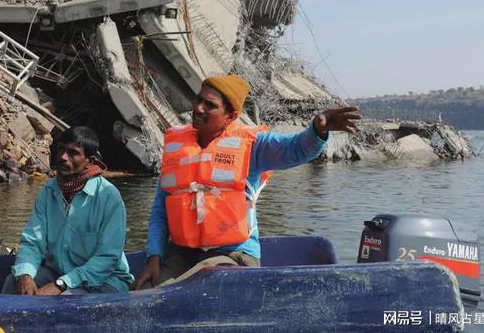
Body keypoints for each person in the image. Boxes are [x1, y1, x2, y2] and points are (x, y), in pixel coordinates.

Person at [132, 75, 360, 289]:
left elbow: (296, 149)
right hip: (183, 253)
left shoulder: (253, 146)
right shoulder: (177, 149)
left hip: (233, 255)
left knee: (206, 286)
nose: (198, 108)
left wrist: (318, 131)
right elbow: (160, 211)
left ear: (230, 117)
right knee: (144, 294)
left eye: (210, 105)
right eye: (198, 100)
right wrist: (154, 258)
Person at [2, 126, 133, 295]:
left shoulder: (109, 197)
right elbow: (33, 242)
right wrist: (26, 275)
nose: (63, 157)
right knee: (13, 281)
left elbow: (107, 259)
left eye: (73, 153)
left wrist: (62, 284)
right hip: (58, 271)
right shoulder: (48, 191)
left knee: (65, 298)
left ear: (90, 161)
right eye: (61, 150)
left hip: (105, 279)